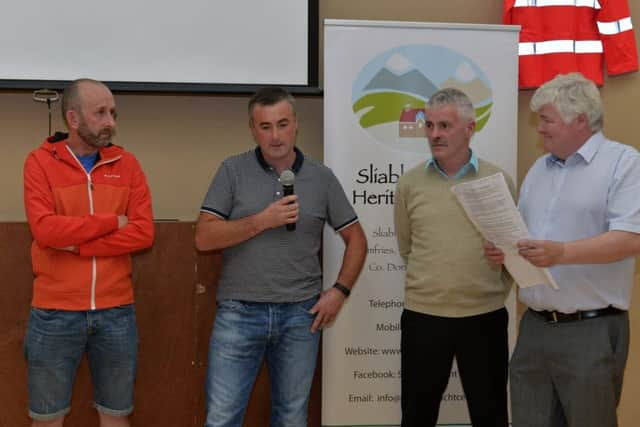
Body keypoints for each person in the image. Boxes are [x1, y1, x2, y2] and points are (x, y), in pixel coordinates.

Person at [195, 86, 367, 427]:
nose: (276, 136)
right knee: (222, 417)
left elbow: (357, 240)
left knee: (291, 417)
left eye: (283, 124)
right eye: (265, 127)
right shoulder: (232, 170)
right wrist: (262, 220)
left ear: (296, 125)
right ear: (253, 129)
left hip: (300, 317)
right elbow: (204, 237)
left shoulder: (321, 177)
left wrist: (339, 292)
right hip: (239, 313)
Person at [485, 72, 640, 427]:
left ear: (580, 120)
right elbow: (525, 237)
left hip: (591, 329)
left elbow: (632, 238)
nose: (539, 129)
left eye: (546, 119)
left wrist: (561, 253)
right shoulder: (540, 169)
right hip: (534, 327)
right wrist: (503, 250)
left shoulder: (624, 163)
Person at [23, 78, 155, 427]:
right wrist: (113, 220)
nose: (110, 121)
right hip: (54, 313)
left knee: (116, 416)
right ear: (73, 118)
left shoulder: (127, 163)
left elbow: (143, 233)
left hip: (116, 313)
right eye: (100, 113)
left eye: (113, 112)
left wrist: (78, 244)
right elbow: (45, 230)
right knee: (47, 420)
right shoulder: (40, 162)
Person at [394, 87, 514, 427]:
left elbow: (511, 251)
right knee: (417, 416)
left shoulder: (498, 180)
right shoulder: (410, 184)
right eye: (429, 126)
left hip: (485, 318)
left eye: (444, 126)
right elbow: (407, 247)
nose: (434, 134)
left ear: (470, 128)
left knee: (490, 415)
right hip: (424, 317)